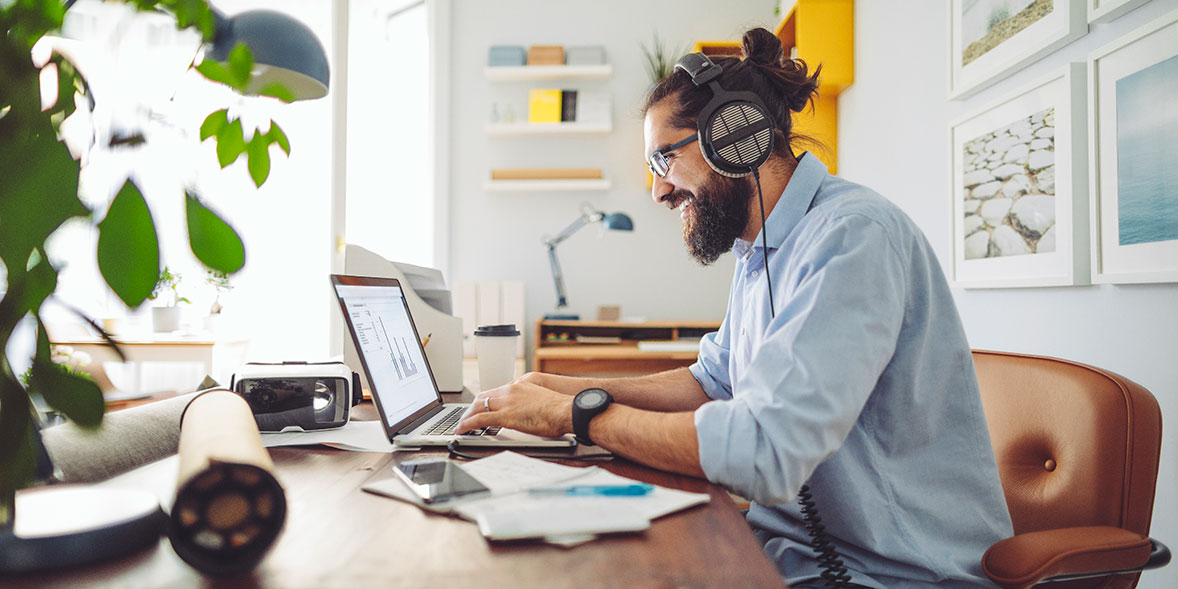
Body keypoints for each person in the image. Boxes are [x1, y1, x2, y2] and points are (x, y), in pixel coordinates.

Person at [458, 27, 1012, 588]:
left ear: (733, 136)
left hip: (891, 575)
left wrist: (577, 417)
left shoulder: (852, 238)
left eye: (662, 160)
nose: (658, 191)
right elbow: (713, 381)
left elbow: (764, 452)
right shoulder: (759, 250)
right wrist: (560, 387)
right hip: (788, 554)